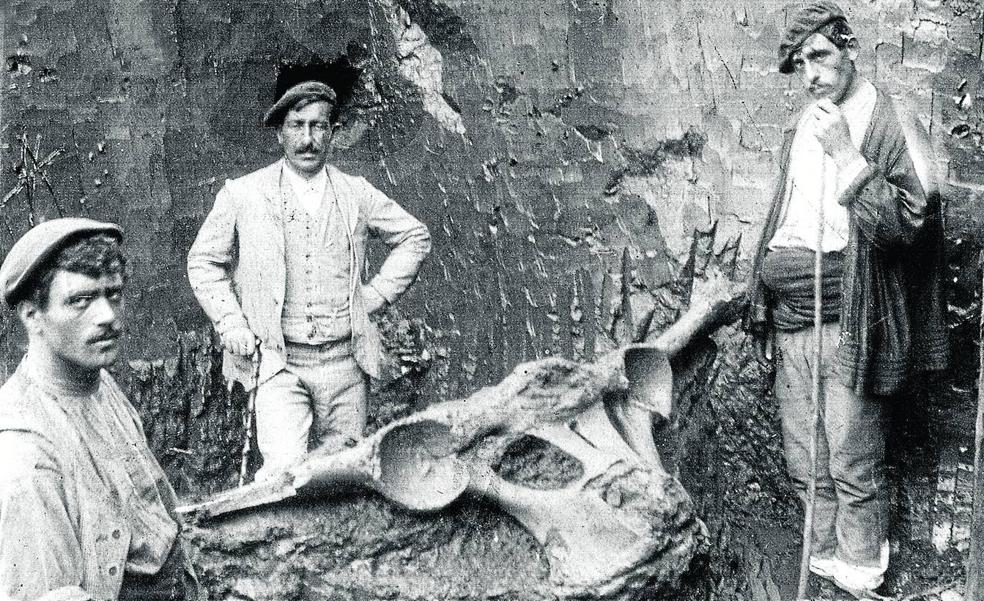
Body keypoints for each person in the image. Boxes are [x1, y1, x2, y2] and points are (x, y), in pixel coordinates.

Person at [744, 1, 948, 596]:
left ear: (850, 49)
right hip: (792, 316)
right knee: (805, 458)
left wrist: (846, 154)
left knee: (852, 457)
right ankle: (825, 558)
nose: (810, 74)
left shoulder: (889, 121)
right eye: (800, 63)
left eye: (821, 56)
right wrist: (764, 300)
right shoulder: (800, 127)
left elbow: (909, 226)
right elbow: (781, 219)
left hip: (852, 315)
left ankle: (860, 570)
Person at [187, 69, 431, 480]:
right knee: (284, 474)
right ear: (279, 134)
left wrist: (373, 297)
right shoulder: (244, 194)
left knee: (344, 474)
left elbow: (414, 237)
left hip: (345, 363)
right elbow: (203, 262)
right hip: (279, 362)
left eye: (318, 126)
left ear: (333, 132)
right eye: (296, 126)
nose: (307, 139)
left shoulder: (356, 192)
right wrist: (231, 321)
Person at [0, 218, 197, 600]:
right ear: (32, 315)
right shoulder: (25, 452)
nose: (107, 315)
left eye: (114, 294)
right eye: (81, 300)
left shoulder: (96, 383)